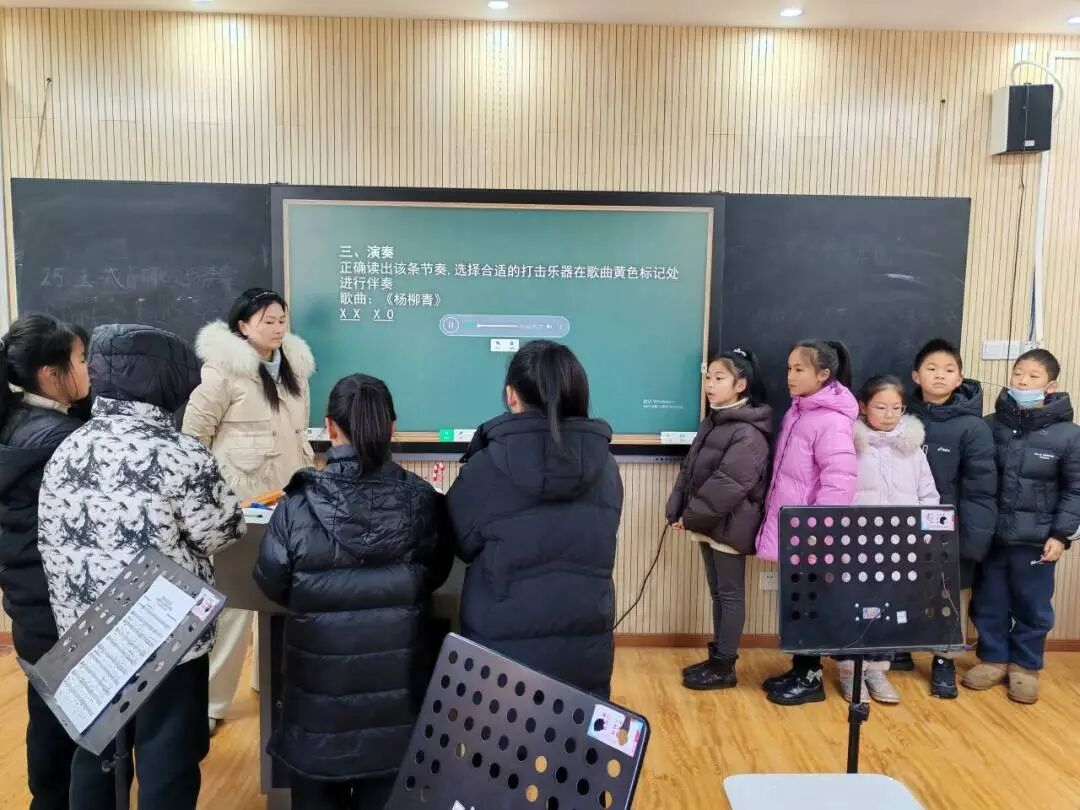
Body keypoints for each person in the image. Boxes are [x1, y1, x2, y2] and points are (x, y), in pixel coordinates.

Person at [38, 324, 245, 810]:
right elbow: (220, 531)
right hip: (165, 639)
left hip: (86, 634)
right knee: (167, 759)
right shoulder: (181, 453)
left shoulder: (68, 447)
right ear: (168, 381)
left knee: (94, 755)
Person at [255, 374, 452, 810]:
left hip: (317, 716)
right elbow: (436, 573)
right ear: (392, 427)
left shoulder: (296, 505)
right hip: (395, 715)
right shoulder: (423, 501)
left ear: (329, 428)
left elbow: (271, 581)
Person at [447, 341, 623, 698]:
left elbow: (460, 542)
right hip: (584, 653)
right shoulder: (606, 466)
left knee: (498, 734)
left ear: (511, 396)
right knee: (573, 733)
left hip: (500, 659)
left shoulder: (485, 466)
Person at [183, 288, 315, 734]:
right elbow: (193, 437)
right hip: (239, 507)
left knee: (281, 596)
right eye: (267, 321)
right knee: (234, 606)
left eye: (281, 320)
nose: (277, 328)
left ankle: (269, 681)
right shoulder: (222, 371)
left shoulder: (296, 368)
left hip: (289, 503)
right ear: (243, 325)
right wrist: (209, 498)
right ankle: (212, 702)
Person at [0, 315, 90, 810]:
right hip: (60, 603)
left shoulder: (13, 421)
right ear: (51, 374)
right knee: (79, 724)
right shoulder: (62, 440)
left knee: (47, 711)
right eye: (81, 359)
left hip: (27, 599)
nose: (90, 368)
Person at [963, 349, 1080, 704]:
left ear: (1050, 386)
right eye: (1018, 374)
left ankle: (1025, 667)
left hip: (1037, 539)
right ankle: (993, 659)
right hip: (992, 537)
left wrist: (1060, 535)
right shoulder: (989, 425)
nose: (1023, 382)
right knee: (989, 600)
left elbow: (1075, 489)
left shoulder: (1068, 436)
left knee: (1032, 604)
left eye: (1032, 376)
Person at [758, 340, 858, 706]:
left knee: (811, 604)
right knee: (797, 603)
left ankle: (811, 678)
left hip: (812, 533)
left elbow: (839, 481)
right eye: (789, 368)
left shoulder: (831, 420)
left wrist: (818, 530)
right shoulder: (798, 411)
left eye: (799, 369)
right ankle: (800, 668)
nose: (790, 376)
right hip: (794, 528)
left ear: (823, 374)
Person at [666, 349, 771, 690]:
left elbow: (728, 485)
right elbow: (690, 469)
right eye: (708, 377)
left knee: (729, 594)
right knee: (718, 592)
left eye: (719, 378)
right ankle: (717, 659)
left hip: (731, 523)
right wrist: (676, 507)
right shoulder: (713, 421)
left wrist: (690, 517)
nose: (710, 385)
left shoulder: (748, 433)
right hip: (708, 522)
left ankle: (725, 665)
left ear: (741, 384)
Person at [834, 375, 939, 705]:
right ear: (864, 407)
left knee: (888, 609)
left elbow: (928, 495)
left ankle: (878, 670)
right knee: (853, 607)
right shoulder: (850, 444)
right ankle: (850, 671)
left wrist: (925, 536)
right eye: (881, 407)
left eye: (897, 407)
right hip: (855, 546)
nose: (889, 414)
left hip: (898, 548)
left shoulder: (912, 449)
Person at [906, 338, 997, 698]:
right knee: (900, 586)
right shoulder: (899, 415)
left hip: (948, 527)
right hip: (903, 522)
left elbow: (981, 490)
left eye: (948, 370)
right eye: (931, 368)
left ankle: (944, 659)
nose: (940, 375)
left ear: (960, 379)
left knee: (948, 594)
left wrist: (971, 541)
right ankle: (897, 649)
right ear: (916, 376)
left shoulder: (973, 428)